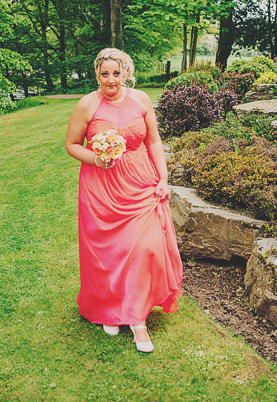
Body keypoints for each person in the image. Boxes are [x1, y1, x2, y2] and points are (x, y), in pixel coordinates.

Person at [64, 47, 183, 353]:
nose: (111, 80)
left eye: (117, 73)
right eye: (105, 74)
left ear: (126, 73)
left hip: (141, 182)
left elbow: (153, 141)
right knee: (109, 252)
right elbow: (71, 144)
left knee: (146, 247)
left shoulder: (141, 99)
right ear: (97, 74)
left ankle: (137, 319)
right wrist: (96, 157)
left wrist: (164, 178)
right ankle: (108, 308)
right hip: (101, 186)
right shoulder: (86, 105)